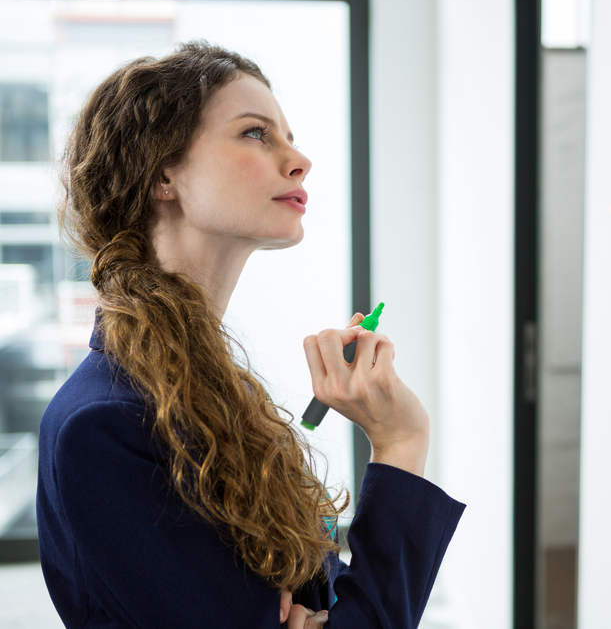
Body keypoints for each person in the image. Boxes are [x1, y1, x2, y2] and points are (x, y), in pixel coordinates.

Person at [36, 39, 464, 628]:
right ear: (164, 173)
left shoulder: (211, 396)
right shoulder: (106, 426)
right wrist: (399, 444)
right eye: (256, 134)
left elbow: (322, 593)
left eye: (287, 135)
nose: (299, 160)